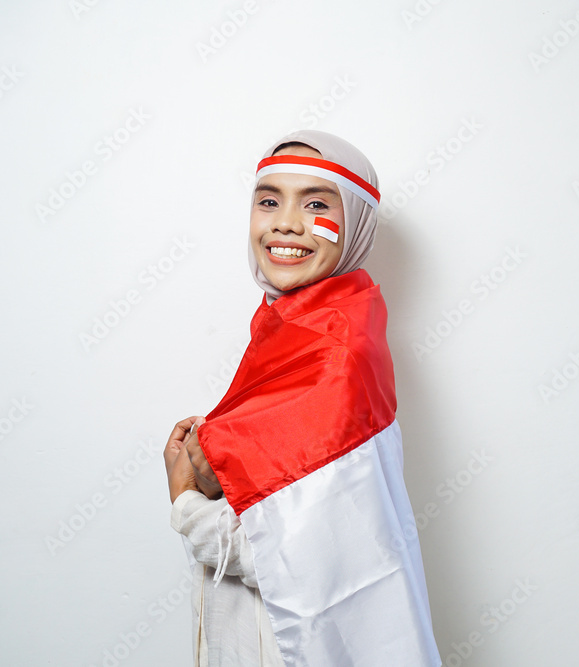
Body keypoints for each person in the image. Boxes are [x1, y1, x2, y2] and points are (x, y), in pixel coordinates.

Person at [163, 130, 441, 666]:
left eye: (316, 202)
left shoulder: (337, 349)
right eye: (269, 200)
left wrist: (185, 498)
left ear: (356, 223)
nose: (285, 222)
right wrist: (218, 458)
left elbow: (287, 559)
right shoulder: (296, 326)